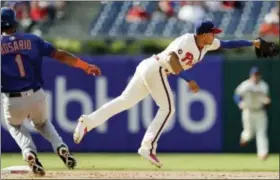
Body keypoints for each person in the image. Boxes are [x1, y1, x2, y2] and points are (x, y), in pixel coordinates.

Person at [73, 20, 261, 168]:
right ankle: (147, 147)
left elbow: (228, 44)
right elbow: (171, 60)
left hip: (150, 67)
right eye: (213, 33)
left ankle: (87, 121)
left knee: (125, 101)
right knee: (168, 107)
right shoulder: (186, 40)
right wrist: (189, 80)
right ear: (203, 34)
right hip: (157, 68)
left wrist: (252, 42)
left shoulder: (207, 44)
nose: (215, 36)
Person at [1, 7, 101, 176]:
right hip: (36, 95)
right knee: (42, 123)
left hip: (12, 99)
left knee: (14, 125)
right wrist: (85, 66)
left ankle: (28, 152)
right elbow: (60, 55)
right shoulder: (33, 40)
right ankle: (60, 147)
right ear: (15, 23)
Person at [233, 67, 270, 160]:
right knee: (249, 134)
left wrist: (267, 102)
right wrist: (239, 103)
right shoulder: (245, 85)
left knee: (261, 133)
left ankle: (263, 153)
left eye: (257, 74)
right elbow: (236, 95)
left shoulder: (264, 86)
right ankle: (244, 138)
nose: (256, 76)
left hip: (260, 111)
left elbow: (267, 99)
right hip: (248, 111)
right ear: (251, 75)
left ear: (260, 75)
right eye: (254, 74)